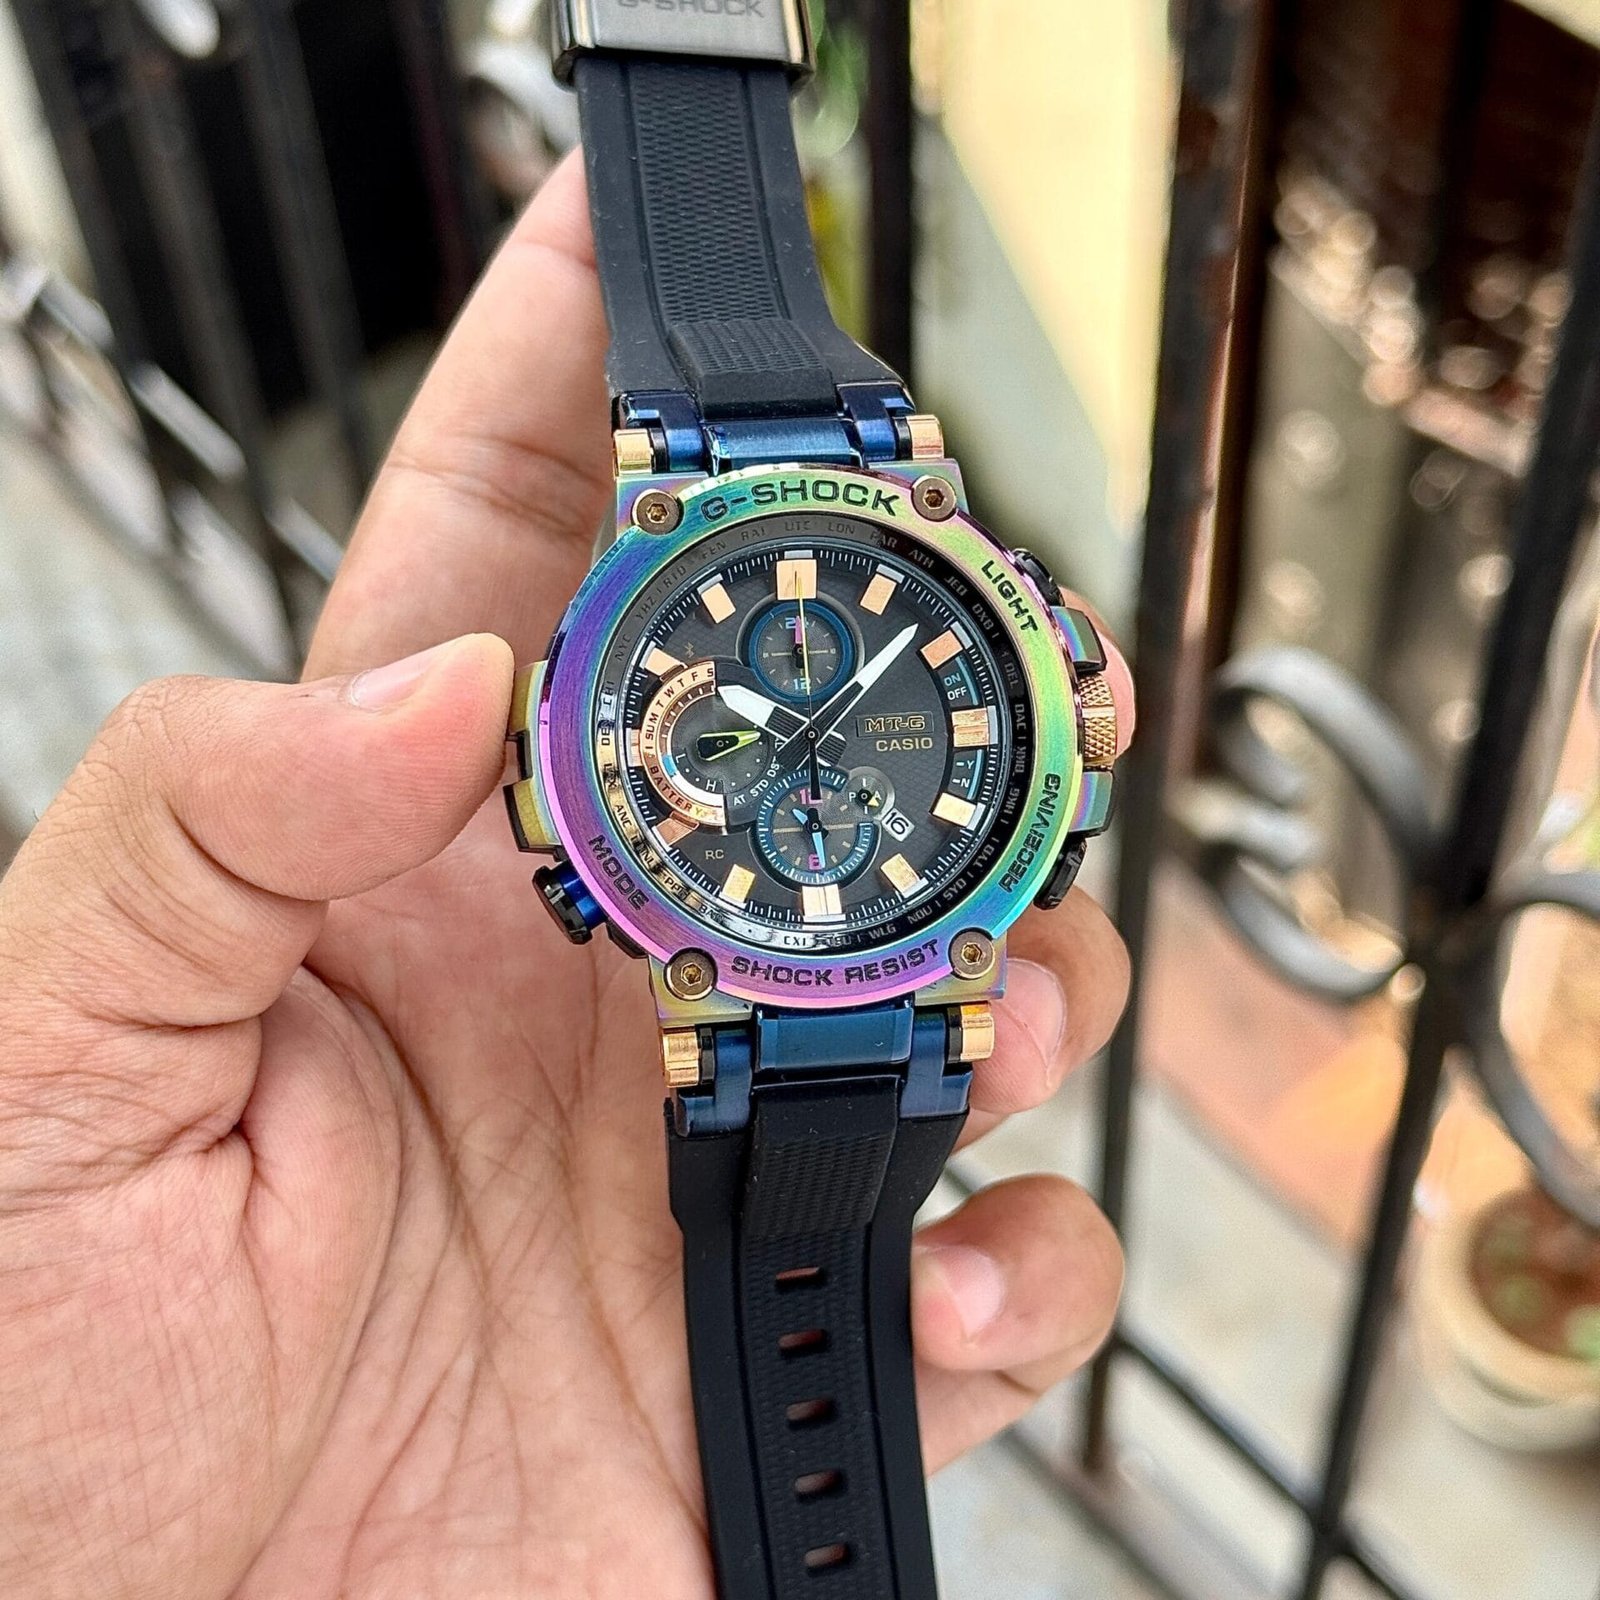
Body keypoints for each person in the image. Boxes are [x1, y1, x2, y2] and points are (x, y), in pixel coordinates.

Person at [0, 155, 1133, 1598]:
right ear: (560, 796)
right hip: (755, 959)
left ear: (1057, 707)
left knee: (1013, 1059)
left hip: (862, 944)